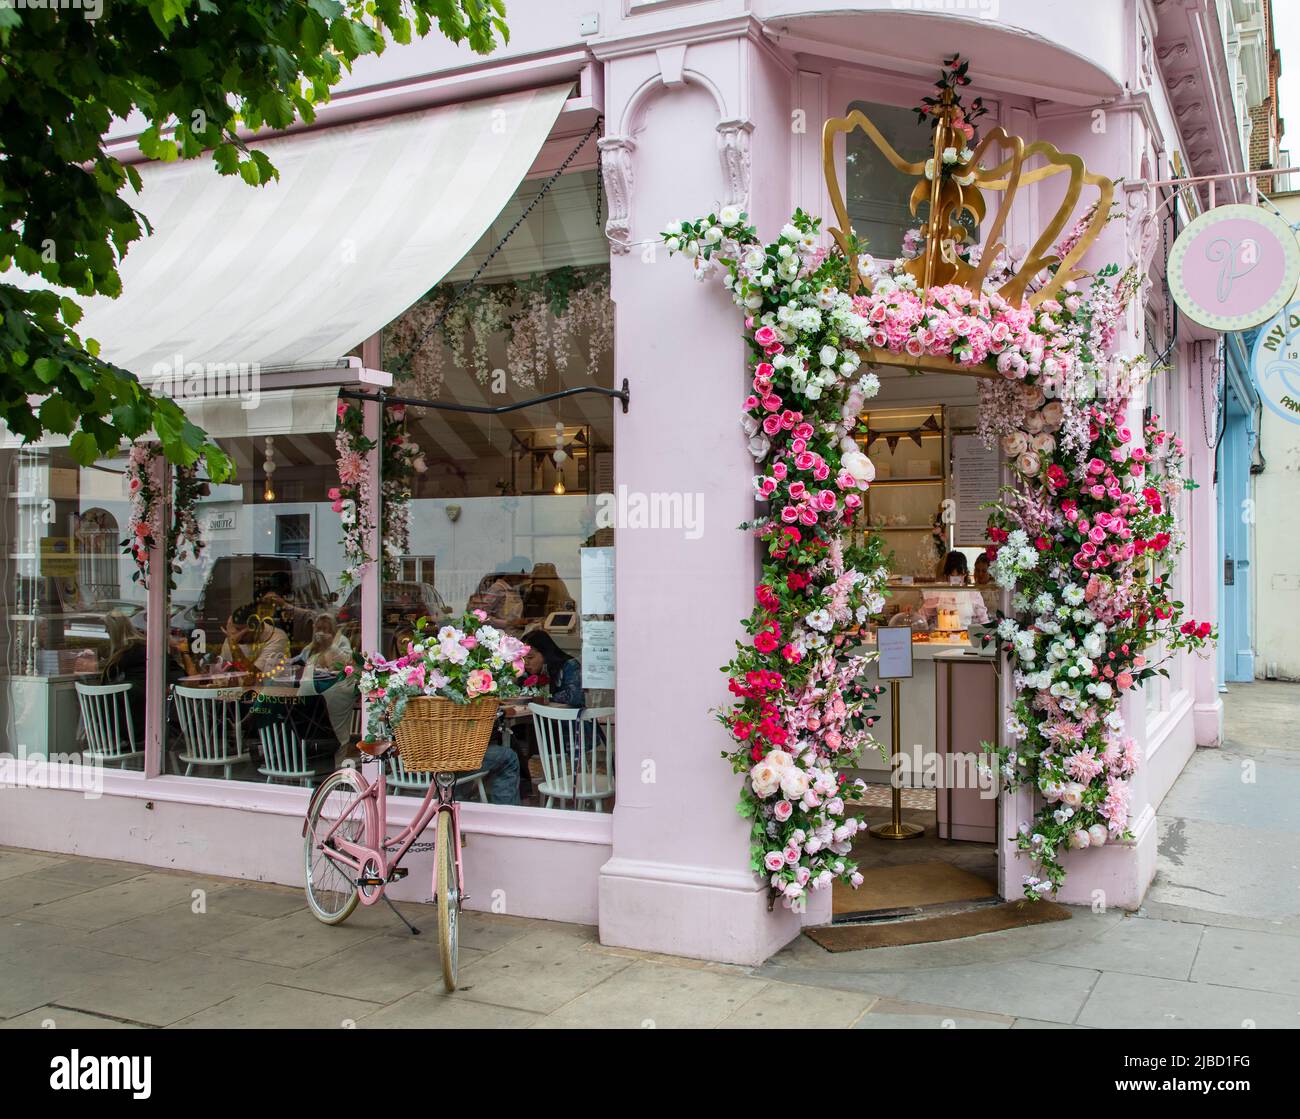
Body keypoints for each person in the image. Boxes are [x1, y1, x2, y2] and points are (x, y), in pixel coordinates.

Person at [296, 614, 356, 747]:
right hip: (311, 693)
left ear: (333, 631)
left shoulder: (341, 642)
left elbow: (347, 664)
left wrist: (330, 646)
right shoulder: (310, 648)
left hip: (334, 690)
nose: (321, 633)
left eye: (325, 629)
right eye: (318, 629)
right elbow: (299, 661)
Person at [220, 603, 290, 679]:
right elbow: (223, 671)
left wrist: (233, 645)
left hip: (273, 689)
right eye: (235, 628)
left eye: (243, 632)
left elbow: (251, 677)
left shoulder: (277, 638)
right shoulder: (233, 635)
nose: (237, 635)